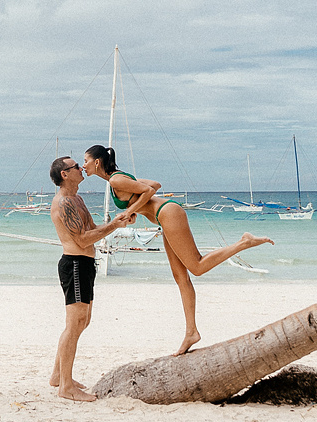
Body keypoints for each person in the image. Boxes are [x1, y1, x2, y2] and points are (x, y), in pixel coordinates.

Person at [79, 144, 272, 356]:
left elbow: (150, 191)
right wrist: (135, 210)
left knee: (197, 267)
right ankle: (191, 332)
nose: (83, 166)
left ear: (97, 162)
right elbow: (155, 184)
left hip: (168, 213)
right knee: (181, 277)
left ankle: (243, 242)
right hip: (164, 216)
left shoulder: (116, 180)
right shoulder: (116, 180)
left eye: (86, 161)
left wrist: (129, 210)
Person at [46, 155, 138, 402]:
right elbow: (82, 240)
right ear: (65, 174)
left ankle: (58, 375)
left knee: (83, 321)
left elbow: (92, 229)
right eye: (76, 166)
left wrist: (118, 222)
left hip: (85, 264)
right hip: (74, 264)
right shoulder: (63, 202)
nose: (81, 168)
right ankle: (66, 387)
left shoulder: (77, 198)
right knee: (74, 323)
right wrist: (114, 226)